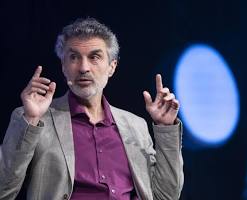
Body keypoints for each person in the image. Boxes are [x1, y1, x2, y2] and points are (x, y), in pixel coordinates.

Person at [0, 18, 184, 200]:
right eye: (73, 57)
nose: (83, 67)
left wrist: (166, 128)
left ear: (112, 67)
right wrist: (30, 120)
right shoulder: (36, 120)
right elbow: (3, 190)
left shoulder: (136, 126)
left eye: (94, 57)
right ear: (63, 66)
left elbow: (166, 196)